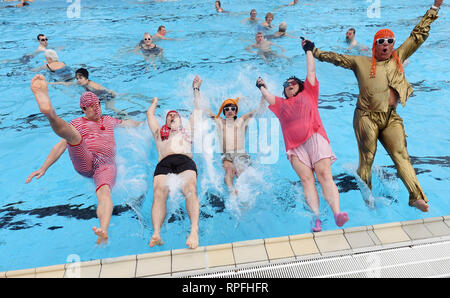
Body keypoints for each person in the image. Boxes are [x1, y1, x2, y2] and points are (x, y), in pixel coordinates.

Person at [310, 0, 444, 212]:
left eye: (390, 41)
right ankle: (367, 198)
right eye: (381, 41)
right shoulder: (361, 62)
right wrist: (314, 51)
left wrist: (434, 8)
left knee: (401, 155)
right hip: (366, 117)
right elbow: (336, 58)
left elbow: (418, 35)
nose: (386, 45)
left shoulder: (398, 57)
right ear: (375, 45)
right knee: (367, 160)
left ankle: (416, 197)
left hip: (391, 117)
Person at [26, 74, 143, 244]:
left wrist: (147, 122)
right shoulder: (78, 123)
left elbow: (128, 124)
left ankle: (103, 229)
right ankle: (49, 112)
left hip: (105, 163)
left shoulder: (109, 120)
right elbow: (60, 146)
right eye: (91, 107)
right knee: (74, 137)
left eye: (97, 106)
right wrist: (44, 168)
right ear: (83, 109)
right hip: (85, 159)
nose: (96, 110)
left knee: (104, 193)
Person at [255, 38, 349, 232]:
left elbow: (311, 72)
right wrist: (261, 85)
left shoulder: (309, 93)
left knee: (324, 175)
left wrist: (308, 50)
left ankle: (337, 213)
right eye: (286, 84)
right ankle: (316, 218)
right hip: (295, 149)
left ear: (299, 86)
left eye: (292, 83)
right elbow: (267, 96)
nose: (289, 85)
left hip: (315, 137)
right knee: (307, 181)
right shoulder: (280, 104)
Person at [146, 77, 203, 249]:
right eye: (169, 115)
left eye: (175, 115)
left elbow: (197, 108)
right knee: (158, 192)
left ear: (180, 120)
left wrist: (196, 89)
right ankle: (156, 233)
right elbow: (149, 114)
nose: (171, 116)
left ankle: (194, 231)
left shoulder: (188, 130)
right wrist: (155, 102)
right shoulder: (158, 132)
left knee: (190, 189)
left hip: (185, 160)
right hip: (164, 163)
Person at [192, 75, 265, 195]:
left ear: (236, 111)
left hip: (241, 153)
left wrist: (262, 89)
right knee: (228, 172)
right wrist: (196, 89)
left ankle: (243, 194)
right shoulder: (219, 121)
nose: (229, 110)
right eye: (227, 109)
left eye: (232, 108)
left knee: (242, 173)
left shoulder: (242, 120)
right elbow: (201, 107)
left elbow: (260, 109)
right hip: (226, 156)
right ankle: (232, 194)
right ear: (224, 111)